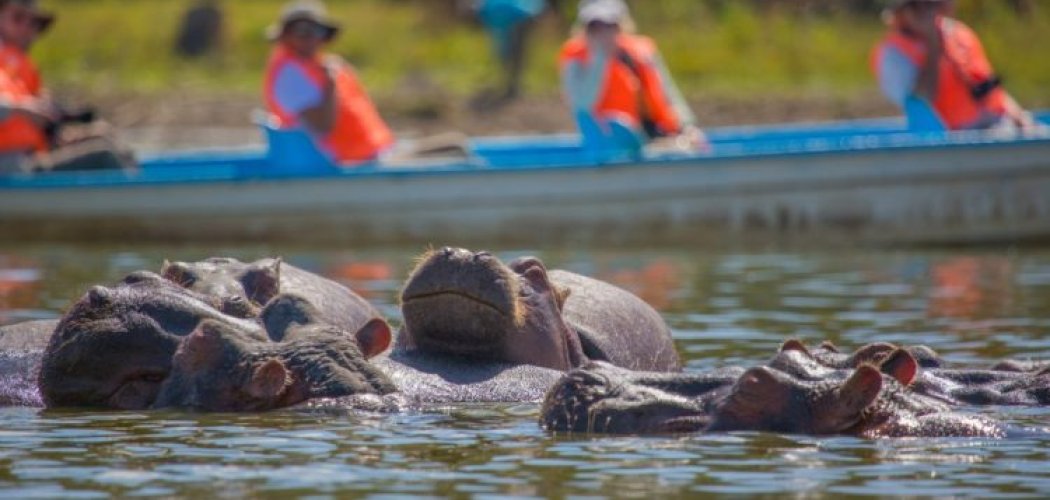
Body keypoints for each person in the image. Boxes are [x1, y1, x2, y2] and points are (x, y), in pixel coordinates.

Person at [0, 0, 134, 174]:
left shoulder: (17, 69)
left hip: (31, 159)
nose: (27, 29)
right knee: (104, 156)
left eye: (34, 23)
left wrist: (58, 136)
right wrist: (22, 109)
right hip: (12, 167)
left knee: (105, 137)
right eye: (18, 18)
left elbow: (38, 123)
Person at [558, 0, 705, 152]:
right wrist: (600, 59)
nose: (603, 32)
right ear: (584, 29)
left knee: (687, 145)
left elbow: (668, 93)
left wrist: (688, 127)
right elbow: (583, 103)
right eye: (594, 26)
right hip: (610, 145)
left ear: (621, 25)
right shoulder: (575, 60)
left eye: (610, 25)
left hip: (655, 139)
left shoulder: (642, 52)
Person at [872, 0, 1037, 132]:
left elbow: (990, 89)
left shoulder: (959, 34)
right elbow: (921, 100)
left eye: (933, 4)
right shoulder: (893, 53)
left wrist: (1019, 117)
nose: (930, 11)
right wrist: (933, 44)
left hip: (997, 123)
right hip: (954, 138)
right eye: (920, 5)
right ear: (901, 12)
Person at [263, 0, 395, 165]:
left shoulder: (321, 65)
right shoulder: (290, 75)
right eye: (302, 30)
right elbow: (321, 126)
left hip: (366, 158)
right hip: (335, 165)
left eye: (317, 30)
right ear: (286, 35)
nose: (310, 37)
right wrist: (330, 84)